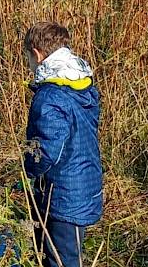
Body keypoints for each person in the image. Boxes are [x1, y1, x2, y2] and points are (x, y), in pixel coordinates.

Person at [22, 22, 102, 267]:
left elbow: (46, 151)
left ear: (37, 54)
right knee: (68, 255)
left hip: (62, 193)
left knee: (60, 259)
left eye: (28, 58)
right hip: (84, 183)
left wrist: (27, 169)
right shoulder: (82, 85)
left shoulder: (50, 96)